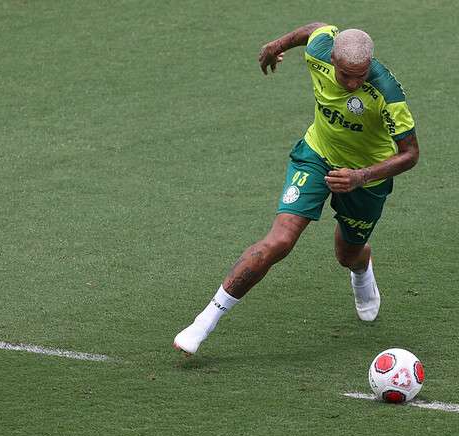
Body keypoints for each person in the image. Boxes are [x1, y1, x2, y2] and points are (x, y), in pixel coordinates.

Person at [173, 23, 420, 354]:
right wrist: (279, 43)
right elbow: (317, 28)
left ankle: (362, 270)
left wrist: (359, 176)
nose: (353, 83)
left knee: (347, 254)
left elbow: (410, 154)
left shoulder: (386, 92)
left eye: (361, 75)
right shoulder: (319, 50)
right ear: (331, 59)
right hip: (316, 156)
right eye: (346, 75)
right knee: (280, 240)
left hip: (365, 178)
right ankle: (204, 322)